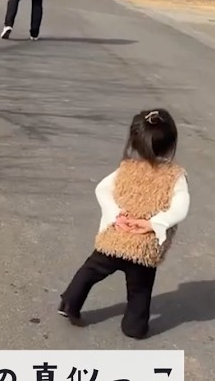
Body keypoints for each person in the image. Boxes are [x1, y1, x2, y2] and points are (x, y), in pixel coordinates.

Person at [57, 109, 190, 339]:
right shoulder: (175, 176)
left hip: (115, 239)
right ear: (171, 144)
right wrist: (153, 223)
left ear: (134, 142)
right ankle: (134, 327)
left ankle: (69, 303)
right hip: (143, 249)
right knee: (140, 290)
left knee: (90, 271)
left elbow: (102, 189)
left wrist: (117, 215)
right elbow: (181, 207)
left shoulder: (125, 168)